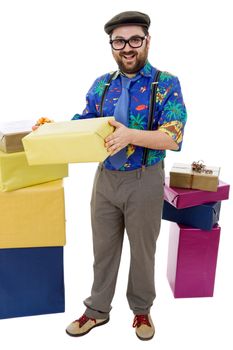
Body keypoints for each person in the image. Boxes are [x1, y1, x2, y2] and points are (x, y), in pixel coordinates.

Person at [66, 10, 187, 341]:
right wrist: (54, 129)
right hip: (105, 179)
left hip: (144, 180)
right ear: (112, 45)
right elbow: (85, 121)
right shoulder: (102, 84)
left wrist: (131, 135)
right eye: (119, 41)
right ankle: (96, 311)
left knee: (143, 252)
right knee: (103, 250)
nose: (127, 47)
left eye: (135, 39)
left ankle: (141, 311)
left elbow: (172, 136)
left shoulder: (165, 83)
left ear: (147, 41)